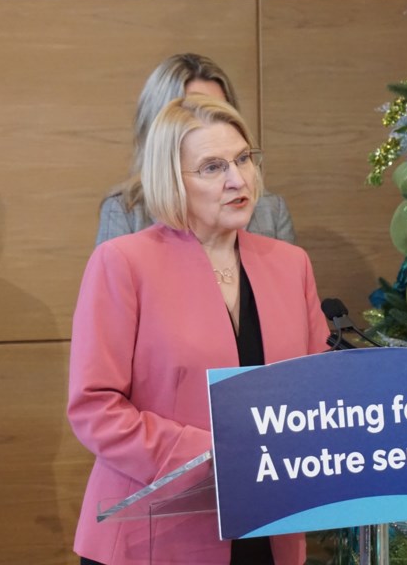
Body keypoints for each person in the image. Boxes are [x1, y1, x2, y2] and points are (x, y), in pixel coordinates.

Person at [69, 95, 330, 565]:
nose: (238, 180)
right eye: (212, 167)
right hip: (157, 533)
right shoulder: (124, 263)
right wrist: (211, 456)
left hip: (269, 527)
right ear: (172, 180)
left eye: (243, 159)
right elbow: (95, 408)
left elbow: (318, 394)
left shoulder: (291, 265)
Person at [96, 52, 296, 246]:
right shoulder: (125, 211)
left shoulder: (270, 210)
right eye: (191, 109)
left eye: (218, 109)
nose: (210, 119)